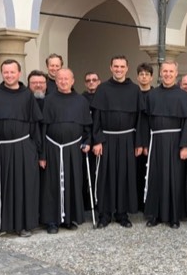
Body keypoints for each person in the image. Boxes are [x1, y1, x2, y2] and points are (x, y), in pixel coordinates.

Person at [0, 59, 43, 239]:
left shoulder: (27, 95)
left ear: (19, 73)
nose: (9, 75)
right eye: (5, 72)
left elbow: (35, 126)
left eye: (12, 72)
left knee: (23, 186)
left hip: (24, 147)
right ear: (2, 73)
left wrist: (36, 150)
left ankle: (23, 225)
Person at [91, 55, 145, 228]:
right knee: (105, 176)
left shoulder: (135, 90)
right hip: (106, 139)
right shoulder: (102, 89)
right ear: (111, 68)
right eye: (116, 66)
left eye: (122, 66)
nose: (119, 69)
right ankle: (105, 214)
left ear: (127, 68)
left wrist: (138, 142)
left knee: (125, 175)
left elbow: (139, 119)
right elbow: (96, 117)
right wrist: (97, 140)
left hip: (127, 139)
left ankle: (122, 213)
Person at [142, 60, 187, 228]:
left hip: (175, 141)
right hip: (156, 140)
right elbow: (145, 121)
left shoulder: (183, 96)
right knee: (156, 177)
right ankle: (155, 215)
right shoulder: (152, 95)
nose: (168, 74)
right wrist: (143, 144)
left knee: (175, 178)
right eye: (165, 71)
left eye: (171, 71)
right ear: (160, 73)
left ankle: (174, 216)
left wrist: (185, 145)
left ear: (176, 73)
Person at [40, 68, 92, 234]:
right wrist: (42, 153)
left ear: (73, 80)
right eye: (60, 79)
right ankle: (52, 221)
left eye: (66, 79)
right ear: (56, 81)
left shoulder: (81, 101)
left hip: (73, 148)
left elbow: (87, 127)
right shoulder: (48, 101)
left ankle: (69, 218)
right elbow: (42, 128)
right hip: (52, 147)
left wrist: (87, 141)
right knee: (51, 185)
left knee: (73, 182)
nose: (63, 81)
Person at [136, 63, 154, 211]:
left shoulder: (155, 95)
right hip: (134, 139)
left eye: (147, 74)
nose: (144, 77)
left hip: (151, 138)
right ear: (137, 77)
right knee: (136, 171)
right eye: (141, 74)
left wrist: (146, 142)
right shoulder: (132, 93)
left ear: (151, 77)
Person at [81, 71, 100, 211]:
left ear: (99, 81)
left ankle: (98, 199)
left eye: (94, 80)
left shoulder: (103, 97)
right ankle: (86, 201)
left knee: (97, 172)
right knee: (84, 173)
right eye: (88, 80)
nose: (91, 82)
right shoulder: (81, 99)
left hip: (99, 140)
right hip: (85, 139)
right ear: (85, 83)